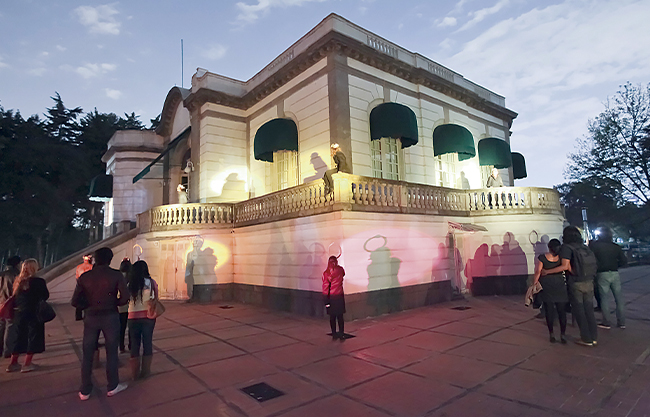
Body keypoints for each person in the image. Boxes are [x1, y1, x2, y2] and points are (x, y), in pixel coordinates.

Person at [71, 247, 129, 400]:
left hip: (91, 316)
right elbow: (125, 297)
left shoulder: (85, 277)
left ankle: (85, 389)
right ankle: (112, 385)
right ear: (110, 259)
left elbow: (75, 301)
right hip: (110, 314)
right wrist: (114, 302)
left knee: (88, 352)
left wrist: (88, 305)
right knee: (112, 351)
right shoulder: (116, 275)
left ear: (95, 259)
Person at [542, 226, 598, 346]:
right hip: (589, 281)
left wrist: (548, 271)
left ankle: (586, 338)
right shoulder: (584, 247)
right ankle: (594, 337)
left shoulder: (567, 248)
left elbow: (565, 266)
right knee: (589, 310)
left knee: (579, 310)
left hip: (576, 282)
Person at [6, 259, 49, 373]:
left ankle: (13, 363)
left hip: (18, 312)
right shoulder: (39, 281)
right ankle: (27, 363)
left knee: (18, 337)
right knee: (33, 337)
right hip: (33, 312)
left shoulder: (18, 281)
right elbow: (45, 296)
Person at [589, 227, 627, 329]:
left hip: (602, 273)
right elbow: (624, 261)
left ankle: (606, 321)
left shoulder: (595, 246)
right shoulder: (615, 247)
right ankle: (621, 322)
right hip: (614, 272)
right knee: (619, 298)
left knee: (604, 298)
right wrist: (615, 265)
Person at [127, 260, 158, 380]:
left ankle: (134, 373)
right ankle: (145, 371)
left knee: (134, 344)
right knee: (147, 342)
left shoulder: (130, 284)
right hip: (148, 316)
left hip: (132, 317)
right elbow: (156, 297)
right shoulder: (151, 282)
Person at [533, 239, 568, 344]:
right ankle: (563, 334)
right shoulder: (561, 257)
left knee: (549, 310)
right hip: (559, 284)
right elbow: (567, 267)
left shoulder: (542, 257)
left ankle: (551, 333)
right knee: (562, 311)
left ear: (549, 247)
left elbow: (538, 271)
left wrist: (534, 283)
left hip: (547, 285)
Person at [0, 256, 20, 358]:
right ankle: (7, 351)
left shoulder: (2, 274)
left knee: (1, 326)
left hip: (1, 303)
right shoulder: (16, 275)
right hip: (10, 304)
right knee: (10, 327)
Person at [322, 256, 346, 340]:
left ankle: (334, 333)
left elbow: (325, 288)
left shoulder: (326, 273)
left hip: (331, 298)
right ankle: (341, 333)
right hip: (339, 296)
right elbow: (343, 274)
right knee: (340, 316)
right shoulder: (340, 269)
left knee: (332, 317)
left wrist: (326, 301)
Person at [118, 258, 131, 353]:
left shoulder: (118, 277)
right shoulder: (132, 277)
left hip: (120, 306)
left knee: (121, 328)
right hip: (131, 306)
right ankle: (131, 345)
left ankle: (121, 346)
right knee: (131, 328)